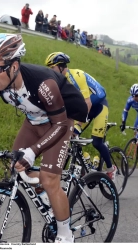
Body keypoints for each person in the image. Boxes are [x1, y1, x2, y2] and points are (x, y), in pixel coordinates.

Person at [0, 33, 88, 243]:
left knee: (50, 180)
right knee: (17, 165)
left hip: (60, 121)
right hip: (34, 121)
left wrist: (32, 152)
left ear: (14, 67)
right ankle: (46, 200)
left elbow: (59, 124)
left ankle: (66, 235)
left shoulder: (43, 84)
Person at [44, 52, 117, 181]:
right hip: (85, 107)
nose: (50, 72)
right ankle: (85, 160)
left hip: (99, 105)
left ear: (61, 67)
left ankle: (111, 169)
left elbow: (87, 103)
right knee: (69, 135)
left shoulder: (76, 76)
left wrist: (78, 124)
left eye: (52, 68)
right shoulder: (59, 82)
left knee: (96, 142)